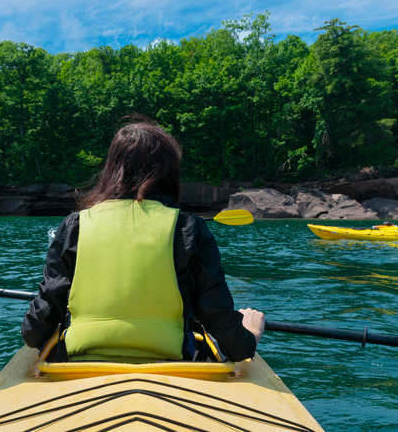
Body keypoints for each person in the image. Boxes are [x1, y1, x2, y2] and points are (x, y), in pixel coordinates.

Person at [21, 119, 264, 363]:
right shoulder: (189, 228)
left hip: (81, 361)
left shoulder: (75, 225)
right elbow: (227, 335)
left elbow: (33, 332)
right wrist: (251, 335)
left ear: (112, 169)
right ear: (169, 174)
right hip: (171, 363)